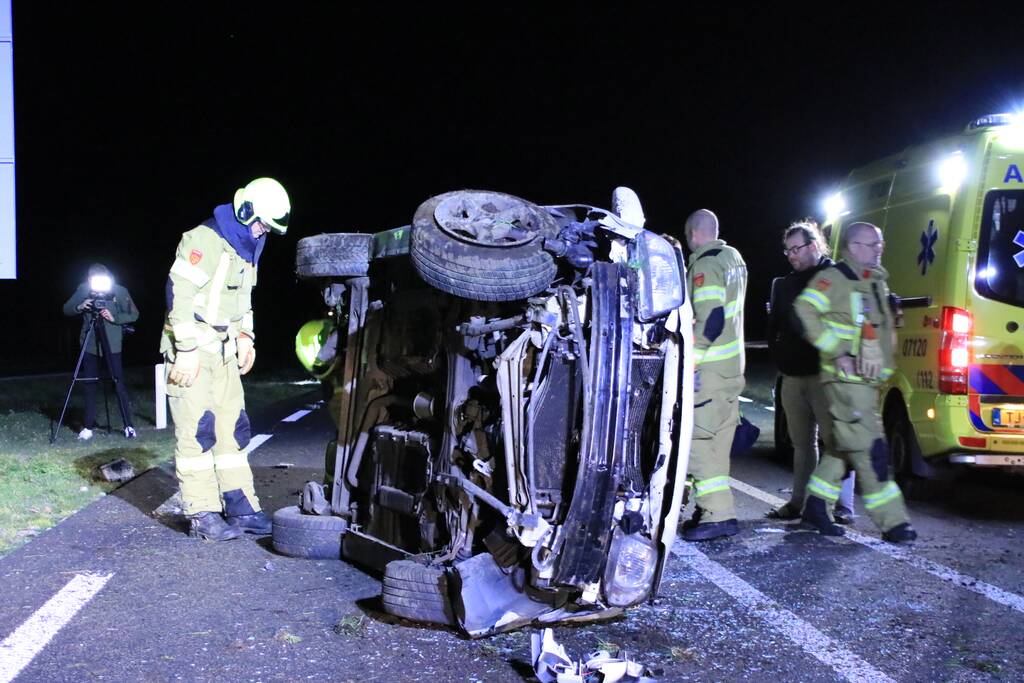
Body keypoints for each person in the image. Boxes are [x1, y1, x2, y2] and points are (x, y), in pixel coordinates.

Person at [161, 177, 290, 541]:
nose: (264, 231)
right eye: (262, 222)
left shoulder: (247, 247)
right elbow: (178, 294)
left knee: (232, 431)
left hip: (225, 350)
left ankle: (241, 508)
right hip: (194, 350)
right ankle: (202, 514)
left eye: (270, 227)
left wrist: (246, 337)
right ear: (246, 210)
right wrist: (185, 350)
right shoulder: (203, 239)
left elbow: (242, 301)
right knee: (197, 431)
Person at [793, 222, 917, 543]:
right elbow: (804, 310)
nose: (879, 248)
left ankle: (816, 508)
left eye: (881, 243)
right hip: (844, 382)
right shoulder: (834, 279)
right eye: (872, 243)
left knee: (842, 447)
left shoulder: (873, 281)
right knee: (871, 450)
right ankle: (893, 523)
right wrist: (838, 351)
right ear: (852, 247)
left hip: (866, 383)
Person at [765, 220, 855, 523]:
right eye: (787, 250)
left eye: (796, 248)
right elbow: (774, 326)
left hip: (827, 376)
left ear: (814, 244)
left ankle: (841, 507)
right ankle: (798, 502)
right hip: (794, 377)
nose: (791, 255)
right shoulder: (785, 284)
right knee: (802, 445)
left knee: (836, 442)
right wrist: (781, 357)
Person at [683, 209, 748, 541]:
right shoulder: (733, 257)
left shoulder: (705, 263)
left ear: (694, 234)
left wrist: (691, 360)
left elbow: (711, 318)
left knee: (692, 440)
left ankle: (718, 512)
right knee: (718, 443)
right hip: (732, 369)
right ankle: (710, 509)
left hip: (708, 370)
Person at [62, 263, 139, 440]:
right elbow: (66, 308)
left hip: (112, 344)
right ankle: (88, 427)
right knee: (90, 384)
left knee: (118, 383)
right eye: (92, 280)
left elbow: (134, 314)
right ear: (89, 279)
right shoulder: (83, 289)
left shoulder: (119, 291)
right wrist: (80, 306)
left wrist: (115, 318)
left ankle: (128, 426)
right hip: (89, 344)